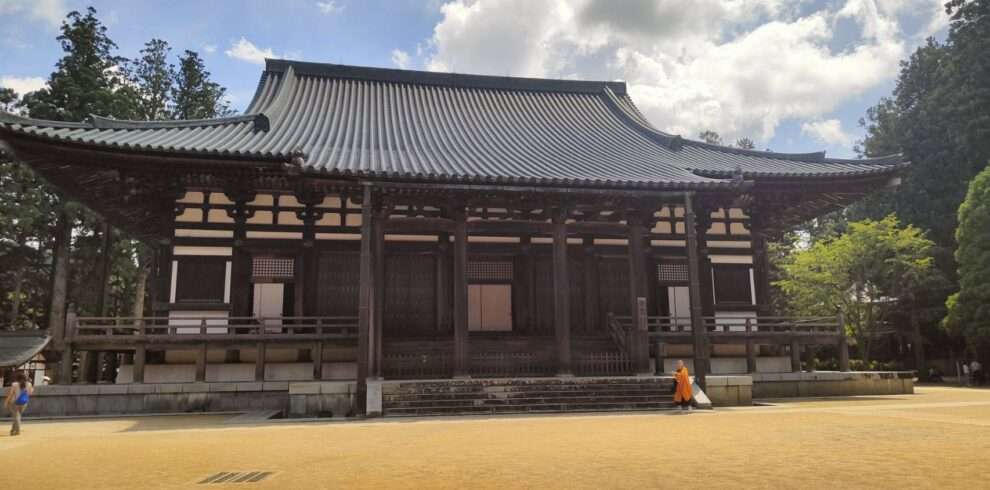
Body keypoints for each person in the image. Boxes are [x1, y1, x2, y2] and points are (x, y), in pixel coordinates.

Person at [4, 372, 33, 436]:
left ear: (17, 378)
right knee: (17, 417)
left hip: (14, 403)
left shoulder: (14, 384)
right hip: (24, 403)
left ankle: (18, 431)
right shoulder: (29, 384)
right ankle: (12, 430)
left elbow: (10, 394)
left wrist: (6, 402)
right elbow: (30, 393)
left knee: (16, 417)